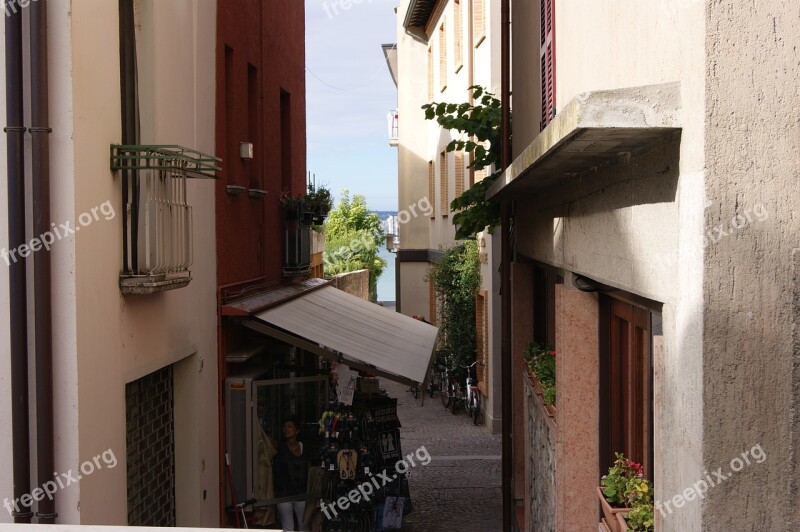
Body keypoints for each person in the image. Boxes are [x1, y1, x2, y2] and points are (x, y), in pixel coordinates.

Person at [273, 417, 310, 531]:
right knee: (288, 527)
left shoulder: (305, 448)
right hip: (284, 494)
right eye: (284, 426)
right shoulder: (279, 446)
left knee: (304, 525)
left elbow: (310, 469)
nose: (286, 429)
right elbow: (264, 439)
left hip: (301, 494)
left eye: (290, 426)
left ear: (297, 431)